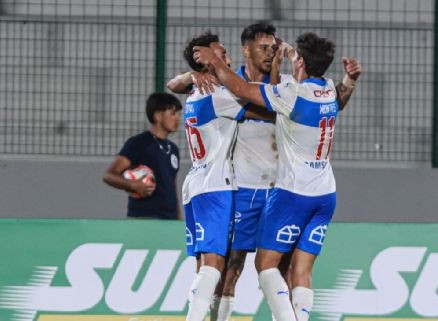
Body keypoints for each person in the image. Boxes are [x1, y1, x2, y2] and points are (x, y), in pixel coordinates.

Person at [193, 32, 362, 321]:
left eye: (296, 55)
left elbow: (244, 89)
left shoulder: (292, 95)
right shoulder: (330, 90)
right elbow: (338, 97)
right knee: (301, 270)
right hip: (325, 193)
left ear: (302, 63)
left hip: (294, 192)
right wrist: (349, 81)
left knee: (266, 265)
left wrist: (213, 64)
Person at [177, 31, 269, 321]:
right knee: (215, 265)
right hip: (216, 186)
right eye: (220, 55)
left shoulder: (195, 94)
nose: (226, 60)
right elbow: (264, 108)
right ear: (205, 62)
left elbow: (174, 83)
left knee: (204, 265)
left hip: (195, 184)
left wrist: (192, 75)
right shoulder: (219, 96)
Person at [103, 93, 182, 220]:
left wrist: (178, 219)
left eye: (178, 114)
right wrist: (133, 185)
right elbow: (109, 175)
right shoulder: (139, 143)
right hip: (143, 218)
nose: (177, 118)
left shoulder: (173, 149)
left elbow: (172, 188)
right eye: (172, 113)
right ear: (158, 116)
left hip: (169, 220)